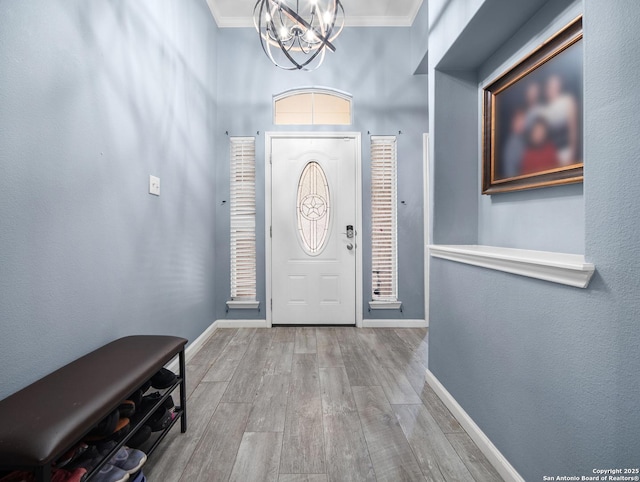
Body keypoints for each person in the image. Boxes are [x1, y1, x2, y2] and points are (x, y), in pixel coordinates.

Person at [543, 74, 579, 165]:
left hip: (565, 151)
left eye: (555, 86)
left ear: (559, 86)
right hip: (549, 154)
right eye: (550, 86)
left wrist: (572, 153)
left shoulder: (567, 101)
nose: (553, 89)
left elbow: (573, 128)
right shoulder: (545, 109)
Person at [501, 107, 526, 178]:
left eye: (523, 120)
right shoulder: (512, 143)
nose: (522, 123)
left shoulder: (524, 139)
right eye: (519, 120)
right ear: (513, 123)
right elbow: (510, 171)